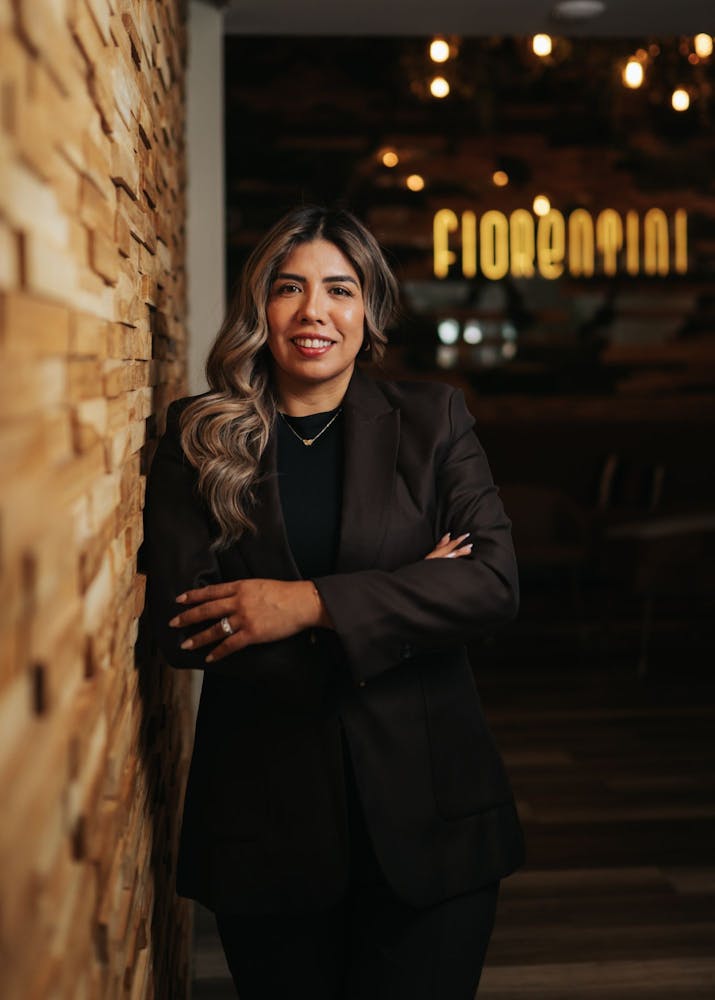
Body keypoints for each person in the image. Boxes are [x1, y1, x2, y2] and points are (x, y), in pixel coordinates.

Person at [142, 205, 524, 999]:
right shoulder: (198, 436)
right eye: (289, 288)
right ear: (260, 309)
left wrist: (304, 604)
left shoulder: (432, 420)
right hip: (265, 819)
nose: (314, 311)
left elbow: (489, 582)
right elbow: (184, 629)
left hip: (432, 814)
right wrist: (411, 590)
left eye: (339, 290)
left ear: (369, 310)